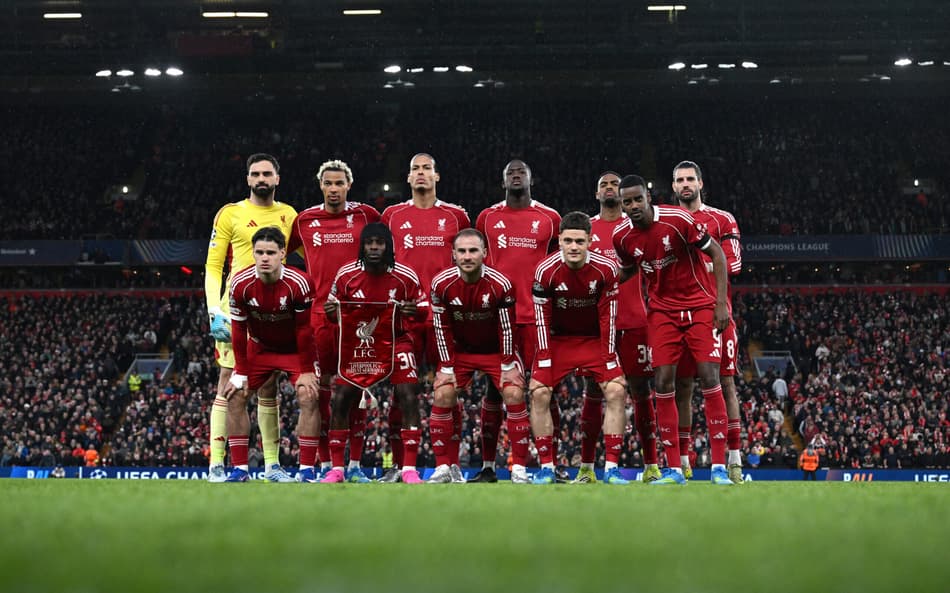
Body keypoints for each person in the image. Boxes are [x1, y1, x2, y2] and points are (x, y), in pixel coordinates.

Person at [613, 174, 733, 486]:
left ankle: (719, 467)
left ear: (647, 198)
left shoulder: (678, 219)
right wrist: (604, 281)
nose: (634, 205)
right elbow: (628, 268)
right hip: (662, 313)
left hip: (699, 306)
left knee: (709, 376)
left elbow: (717, 253)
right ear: (622, 204)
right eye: (628, 201)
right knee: (663, 381)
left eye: (638, 199)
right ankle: (674, 470)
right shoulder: (622, 237)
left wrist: (720, 303)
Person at [204, 153, 297, 483]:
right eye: (255, 173)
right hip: (236, 310)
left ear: (277, 179)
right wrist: (215, 311)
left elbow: (301, 259)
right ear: (247, 179)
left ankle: (272, 465)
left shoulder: (289, 215)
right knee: (228, 383)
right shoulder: (231, 214)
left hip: (273, 313)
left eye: (267, 174)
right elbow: (214, 266)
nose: (261, 178)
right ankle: (217, 463)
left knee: (269, 387)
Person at [288, 159, 381, 482]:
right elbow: (287, 253)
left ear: (348, 186)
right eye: (328, 183)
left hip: (358, 316)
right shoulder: (304, 221)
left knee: (355, 389)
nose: (333, 188)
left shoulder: (366, 215)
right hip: (319, 316)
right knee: (322, 391)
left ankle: (354, 465)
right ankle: (327, 463)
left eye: (339, 183)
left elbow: (382, 250)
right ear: (320, 185)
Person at [381, 153, 470, 482]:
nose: (421, 174)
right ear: (408, 178)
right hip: (403, 316)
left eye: (426, 169)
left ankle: (451, 463)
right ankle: (400, 465)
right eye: (415, 169)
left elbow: (467, 262)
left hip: (444, 316)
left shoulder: (456, 216)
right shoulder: (392, 215)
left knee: (450, 389)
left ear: (437, 176)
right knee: (400, 390)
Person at [472, 159, 562, 483]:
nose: (515, 175)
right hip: (497, 318)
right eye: (509, 171)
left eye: (521, 171)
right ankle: (487, 466)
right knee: (495, 393)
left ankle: (550, 465)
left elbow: (556, 268)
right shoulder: (487, 217)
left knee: (542, 391)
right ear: (502, 181)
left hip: (536, 319)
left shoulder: (550, 219)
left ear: (531, 178)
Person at [321, 223, 428, 484]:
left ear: (388, 246)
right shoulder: (347, 275)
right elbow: (332, 307)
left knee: (408, 394)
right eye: (369, 243)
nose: (374, 247)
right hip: (361, 347)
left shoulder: (405, 276)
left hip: (396, 341)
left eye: (379, 243)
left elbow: (424, 306)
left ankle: (409, 469)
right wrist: (331, 312)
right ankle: (337, 469)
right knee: (342, 396)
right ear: (362, 246)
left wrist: (415, 311)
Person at [528, 211, 629, 485]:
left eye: (580, 241)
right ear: (559, 240)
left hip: (594, 340)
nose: (574, 247)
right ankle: (547, 468)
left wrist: (608, 356)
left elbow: (609, 315)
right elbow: (541, 319)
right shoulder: (544, 271)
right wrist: (546, 358)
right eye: (568, 241)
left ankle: (611, 469)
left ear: (590, 241)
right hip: (559, 341)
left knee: (617, 390)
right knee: (538, 393)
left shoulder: (606, 269)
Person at [428, 229, 531, 484]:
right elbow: (441, 328)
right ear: (453, 254)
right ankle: (444, 468)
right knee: (443, 393)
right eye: (461, 251)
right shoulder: (441, 284)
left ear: (485, 253)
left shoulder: (501, 284)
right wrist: (447, 368)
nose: (467, 256)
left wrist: (508, 365)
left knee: (514, 392)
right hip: (461, 351)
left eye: (473, 250)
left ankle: (518, 469)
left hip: (497, 351)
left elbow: (507, 328)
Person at [578, 172, 660, 484]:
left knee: (641, 392)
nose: (610, 188)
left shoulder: (637, 227)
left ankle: (651, 466)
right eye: (604, 184)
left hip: (635, 320)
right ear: (596, 193)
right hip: (597, 325)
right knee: (592, 392)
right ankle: (587, 468)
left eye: (615, 184)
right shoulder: (586, 227)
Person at [220, 227, 320, 483]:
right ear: (253, 253)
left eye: (270, 253)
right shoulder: (240, 284)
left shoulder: (300, 283)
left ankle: (307, 470)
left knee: (309, 395)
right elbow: (239, 328)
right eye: (259, 252)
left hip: (294, 351)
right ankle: (240, 470)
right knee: (234, 395)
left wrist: (307, 370)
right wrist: (240, 371)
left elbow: (304, 329)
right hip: (260, 349)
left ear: (282, 254)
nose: (264, 258)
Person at [670, 160, 746, 483]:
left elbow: (733, 264)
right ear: (673, 187)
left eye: (690, 179)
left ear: (701, 183)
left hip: (716, 314)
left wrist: (693, 269)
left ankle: (734, 461)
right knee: (681, 388)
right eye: (679, 180)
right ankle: (683, 462)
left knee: (724, 383)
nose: (685, 184)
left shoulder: (722, 219)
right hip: (678, 315)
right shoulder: (668, 222)